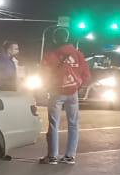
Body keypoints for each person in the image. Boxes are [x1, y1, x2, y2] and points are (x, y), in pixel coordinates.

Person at [39, 26, 91, 165]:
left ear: (55, 38)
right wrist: (77, 86)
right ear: (67, 38)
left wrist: (46, 87)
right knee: (73, 124)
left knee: (53, 124)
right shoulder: (78, 54)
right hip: (73, 92)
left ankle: (52, 156)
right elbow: (86, 75)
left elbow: (43, 73)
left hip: (56, 92)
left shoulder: (51, 54)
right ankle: (70, 156)